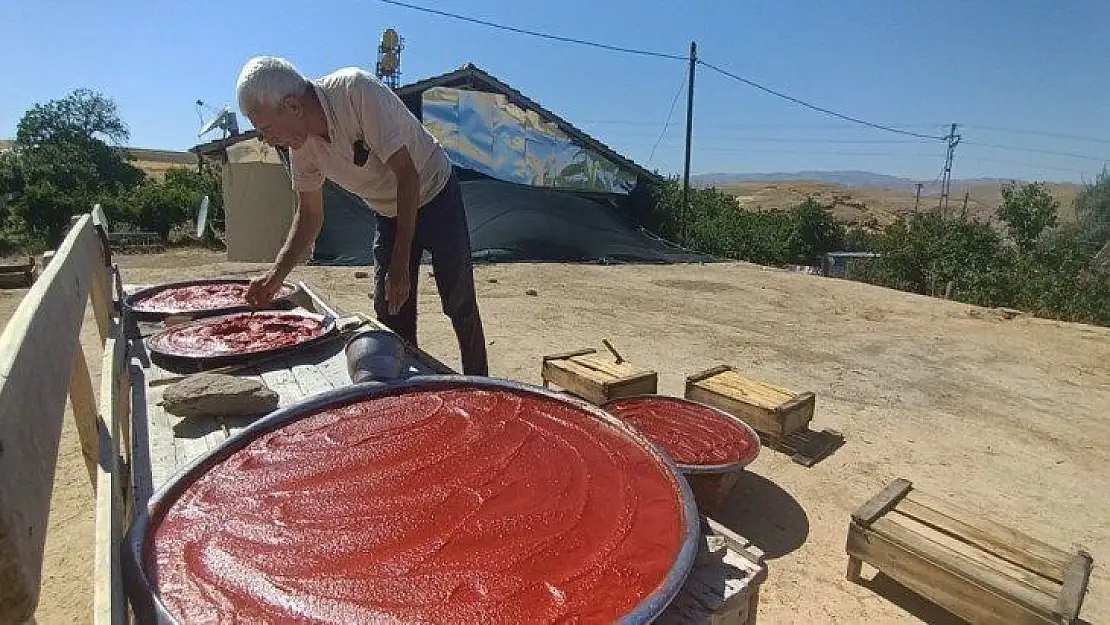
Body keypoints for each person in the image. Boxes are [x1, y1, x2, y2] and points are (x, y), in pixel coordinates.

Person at [237, 56, 488, 375]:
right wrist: (275, 279)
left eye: (266, 128)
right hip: (388, 211)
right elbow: (310, 216)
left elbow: (407, 175)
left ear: (293, 106)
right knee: (390, 311)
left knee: (458, 301)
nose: (265, 139)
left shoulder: (356, 92)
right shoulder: (301, 148)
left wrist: (401, 264)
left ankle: (483, 386)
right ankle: (404, 391)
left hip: (435, 191)